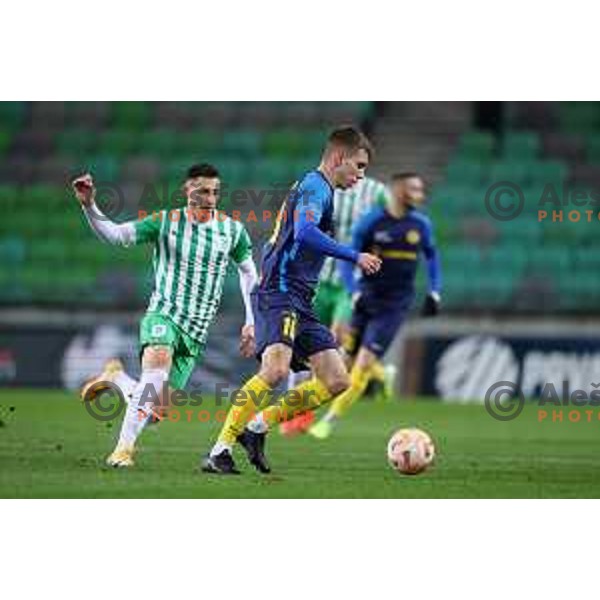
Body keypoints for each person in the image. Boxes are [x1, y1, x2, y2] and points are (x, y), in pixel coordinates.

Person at [201, 127, 381, 475]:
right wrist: (353, 256)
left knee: (337, 381)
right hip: (279, 291)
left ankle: (256, 428)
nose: (361, 175)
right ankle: (219, 450)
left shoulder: (321, 189)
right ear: (337, 158)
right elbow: (304, 232)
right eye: (358, 166)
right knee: (275, 370)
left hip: (301, 297)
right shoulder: (316, 186)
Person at [73, 164, 258, 467]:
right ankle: (122, 450)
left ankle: (116, 377)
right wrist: (90, 205)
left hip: (196, 332)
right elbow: (117, 236)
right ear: (187, 191)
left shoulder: (232, 231)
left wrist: (251, 320)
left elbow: (249, 273)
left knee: (157, 410)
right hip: (164, 315)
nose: (210, 198)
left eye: (215, 192)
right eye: (203, 191)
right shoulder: (165, 222)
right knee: (155, 371)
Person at [309, 172, 442, 439]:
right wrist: (354, 290)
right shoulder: (371, 222)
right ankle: (383, 375)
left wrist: (434, 291)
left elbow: (432, 256)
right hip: (365, 299)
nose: (420, 194)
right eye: (414, 189)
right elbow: (349, 258)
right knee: (343, 361)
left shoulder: (420, 224)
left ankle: (330, 420)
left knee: (363, 363)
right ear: (398, 192)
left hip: (394, 306)